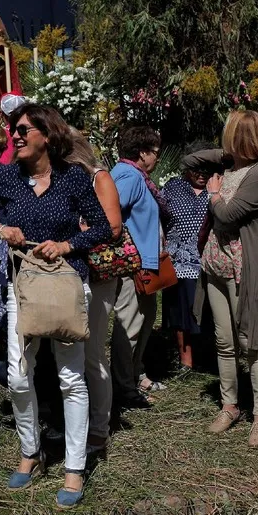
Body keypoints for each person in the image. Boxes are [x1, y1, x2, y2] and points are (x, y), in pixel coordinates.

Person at [0, 103, 113, 509]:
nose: (17, 137)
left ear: (48, 134)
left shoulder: (73, 178)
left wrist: (66, 244)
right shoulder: (7, 177)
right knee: (19, 377)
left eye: (25, 129)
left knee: (70, 378)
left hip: (65, 284)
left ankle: (74, 467)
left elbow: (102, 229)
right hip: (20, 287)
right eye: (14, 131)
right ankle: (31, 452)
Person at [185, 111, 258, 446]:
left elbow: (225, 214)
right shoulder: (229, 167)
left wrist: (214, 194)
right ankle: (230, 406)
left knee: (251, 344)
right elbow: (190, 158)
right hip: (214, 267)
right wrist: (225, 155)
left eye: (230, 134)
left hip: (243, 271)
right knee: (224, 342)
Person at [65, 131, 123, 458]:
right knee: (75, 353)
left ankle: (100, 430)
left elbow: (113, 226)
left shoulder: (98, 177)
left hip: (99, 276)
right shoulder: (67, 180)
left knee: (93, 353)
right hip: (74, 274)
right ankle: (80, 423)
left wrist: (72, 234)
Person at [110, 125, 166, 410]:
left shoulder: (136, 176)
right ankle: (123, 387)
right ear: (142, 153)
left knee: (143, 320)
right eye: (155, 151)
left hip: (146, 263)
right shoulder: (128, 176)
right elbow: (111, 213)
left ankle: (134, 374)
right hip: (134, 265)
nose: (157, 157)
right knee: (129, 325)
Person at [161, 143, 215, 371]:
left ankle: (210, 358)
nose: (201, 174)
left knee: (209, 312)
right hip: (178, 262)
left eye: (207, 169)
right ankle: (186, 362)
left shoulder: (218, 189)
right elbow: (159, 218)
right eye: (197, 169)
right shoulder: (173, 187)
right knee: (180, 311)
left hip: (209, 261)